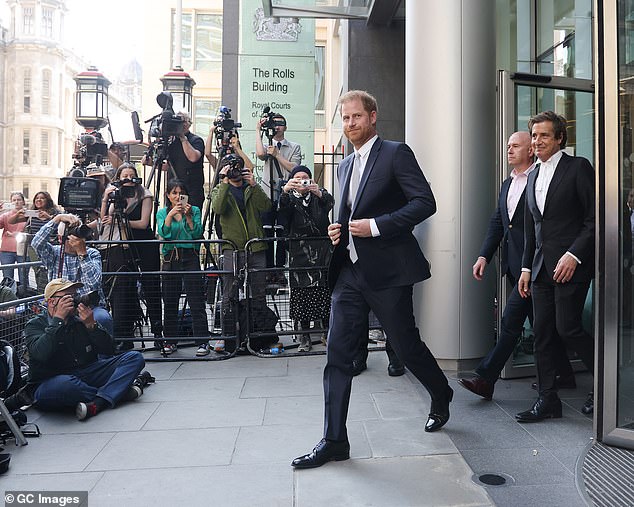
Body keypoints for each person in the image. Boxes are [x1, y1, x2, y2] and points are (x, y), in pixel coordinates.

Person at [292, 90, 452, 469]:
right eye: (345, 119)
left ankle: (441, 392)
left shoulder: (396, 153)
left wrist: (376, 227)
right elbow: (349, 216)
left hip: (389, 273)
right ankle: (334, 440)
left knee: (406, 346)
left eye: (356, 117)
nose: (350, 125)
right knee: (337, 355)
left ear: (373, 117)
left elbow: (425, 203)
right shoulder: (344, 166)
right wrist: (340, 230)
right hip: (349, 272)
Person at [458, 132, 575, 400]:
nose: (509, 150)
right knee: (542, 323)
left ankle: (485, 378)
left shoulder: (541, 180)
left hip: (537, 267)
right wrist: (483, 256)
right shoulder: (507, 184)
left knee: (510, 322)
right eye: (508, 146)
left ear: (530, 151)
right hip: (515, 267)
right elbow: (498, 223)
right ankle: (564, 373)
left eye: (516, 146)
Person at [516, 111, 595, 422]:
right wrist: (525, 268)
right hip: (539, 269)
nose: (537, 141)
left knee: (568, 328)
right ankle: (548, 400)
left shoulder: (578, 168)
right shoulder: (533, 175)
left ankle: (605, 386)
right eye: (534, 136)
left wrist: (573, 255)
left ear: (560, 138)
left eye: (544, 136)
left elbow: (593, 219)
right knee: (543, 334)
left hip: (571, 267)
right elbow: (530, 229)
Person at [24, 278, 145, 420]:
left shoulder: (79, 320)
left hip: (86, 372)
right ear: (52, 302)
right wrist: (58, 320)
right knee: (66, 385)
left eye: (75, 295)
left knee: (134, 358)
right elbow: (41, 353)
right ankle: (118, 393)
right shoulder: (35, 325)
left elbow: (109, 350)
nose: (75, 300)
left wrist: (92, 326)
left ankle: (99, 402)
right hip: (52, 380)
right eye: (68, 297)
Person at [211, 153, 272, 352]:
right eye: (231, 167)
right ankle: (228, 337)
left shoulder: (250, 188)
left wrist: (254, 185)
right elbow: (218, 208)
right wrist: (223, 181)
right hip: (232, 249)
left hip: (255, 247)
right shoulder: (221, 189)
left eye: (237, 166)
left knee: (259, 293)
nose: (235, 170)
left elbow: (267, 207)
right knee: (229, 294)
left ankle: (260, 337)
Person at [100, 163, 162, 349]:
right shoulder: (114, 195)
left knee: (151, 287)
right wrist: (105, 198)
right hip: (123, 246)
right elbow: (104, 223)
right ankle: (125, 336)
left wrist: (120, 221)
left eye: (131, 175)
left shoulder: (144, 194)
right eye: (124, 175)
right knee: (125, 289)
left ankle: (158, 334)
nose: (127, 178)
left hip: (143, 245)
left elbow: (143, 224)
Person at [278, 165, 334, 352]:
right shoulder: (289, 199)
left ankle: (327, 333)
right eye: (298, 178)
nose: (302, 180)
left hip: (321, 252)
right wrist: (285, 191)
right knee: (301, 296)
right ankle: (304, 337)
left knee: (324, 293)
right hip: (299, 254)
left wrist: (319, 193)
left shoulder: (319, 196)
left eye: (305, 177)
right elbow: (282, 215)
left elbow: (330, 203)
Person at [31, 213, 113, 337]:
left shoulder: (92, 253)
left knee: (103, 318)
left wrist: (82, 254)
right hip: (61, 307)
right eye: (71, 233)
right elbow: (36, 243)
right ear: (61, 238)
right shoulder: (54, 253)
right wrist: (57, 219)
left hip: (89, 307)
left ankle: (104, 356)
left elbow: (94, 284)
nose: (77, 238)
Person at [157, 179, 209, 356]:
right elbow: (164, 234)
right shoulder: (163, 212)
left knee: (196, 301)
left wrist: (187, 217)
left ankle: (202, 342)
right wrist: (171, 215)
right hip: (171, 258)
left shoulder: (194, 210)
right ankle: (170, 341)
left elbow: (196, 233)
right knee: (170, 302)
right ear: (168, 195)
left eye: (181, 193)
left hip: (190, 257)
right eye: (174, 193)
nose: (178, 197)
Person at [255, 114, 302, 277]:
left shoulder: (294, 147)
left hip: (285, 194)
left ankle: (280, 270)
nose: (277, 127)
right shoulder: (267, 144)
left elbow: (294, 168)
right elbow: (260, 155)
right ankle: (268, 270)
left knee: (282, 233)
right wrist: (257, 131)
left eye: (281, 124)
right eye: (274, 124)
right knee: (267, 232)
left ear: (285, 127)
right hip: (267, 194)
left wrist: (277, 154)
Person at [9, 191, 60, 292]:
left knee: (49, 271)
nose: (39, 200)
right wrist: (18, 213)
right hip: (34, 248)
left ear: (48, 200)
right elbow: (11, 221)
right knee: (38, 272)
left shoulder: (55, 213)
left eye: (42, 198)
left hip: (50, 247)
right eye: (37, 198)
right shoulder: (32, 213)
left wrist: (49, 217)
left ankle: (51, 292)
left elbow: (61, 227)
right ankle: (41, 293)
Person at [0, 192, 27, 283]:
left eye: (19, 200)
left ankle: (23, 296)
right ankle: (9, 296)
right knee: (7, 278)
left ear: (23, 202)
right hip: (6, 250)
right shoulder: (5, 215)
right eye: (14, 200)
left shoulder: (29, 215)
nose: (16, 202)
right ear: (10, 202)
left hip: (23, 250)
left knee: (24, 278)